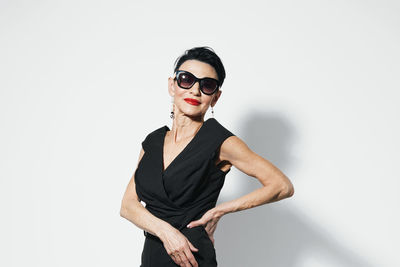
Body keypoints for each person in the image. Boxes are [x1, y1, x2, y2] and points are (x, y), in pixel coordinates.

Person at [120, 46, 294, 267]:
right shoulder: (152, 141)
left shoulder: (219, 140)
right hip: (153, 257)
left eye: (207, 85)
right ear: (172, 85)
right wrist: (167, 233)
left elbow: (282, 186)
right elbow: (128, 206)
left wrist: (220, 210)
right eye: (186, 79)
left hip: (192, 259)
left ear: (215, 97)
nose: (195, 90)